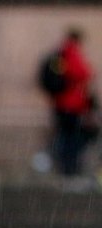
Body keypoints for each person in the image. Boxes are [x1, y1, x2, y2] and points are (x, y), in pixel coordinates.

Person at [46, 28, 95, 177]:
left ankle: (65, 166)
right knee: (72, 136)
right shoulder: (71, 52)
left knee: (65, 135)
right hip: (71, 105)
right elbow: (84, 72)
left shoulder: (60, 53)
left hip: (62, 104)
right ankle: (69, 168)